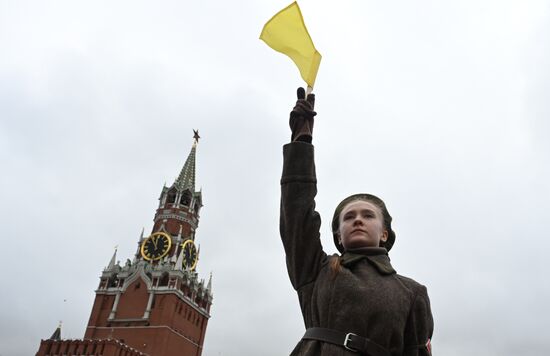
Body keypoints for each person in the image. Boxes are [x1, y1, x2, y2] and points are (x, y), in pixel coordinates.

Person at [280, 88, 434, 356]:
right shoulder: (318, 270)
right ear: (339, 236)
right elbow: (296, 215)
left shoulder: (412, 292)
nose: (358, 220)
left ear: (384, 233)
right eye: (349, 217)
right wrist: (301, 144)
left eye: (367, 215)